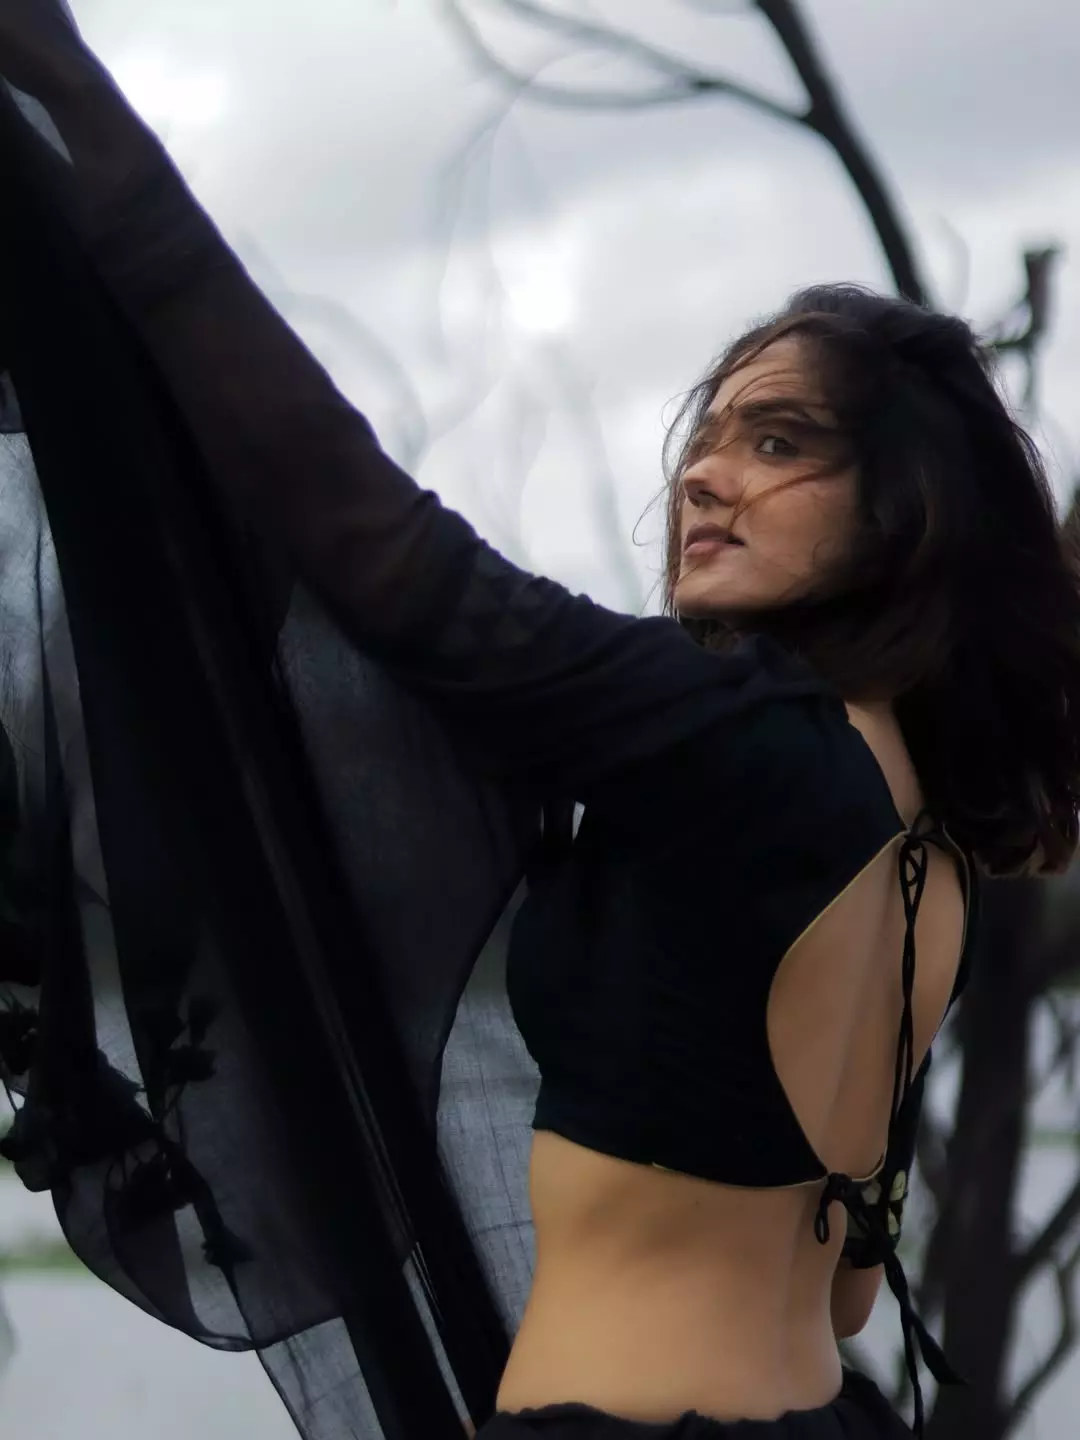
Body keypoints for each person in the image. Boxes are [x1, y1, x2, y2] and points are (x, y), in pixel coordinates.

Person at [2, 8, 1080, 1440]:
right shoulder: (927, 852)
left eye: (777, 441)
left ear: (907, 508)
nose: (705, 477)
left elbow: (390, 557)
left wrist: (71, 105)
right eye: (707, 436)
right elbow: (844, 1292)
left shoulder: (749, 751)